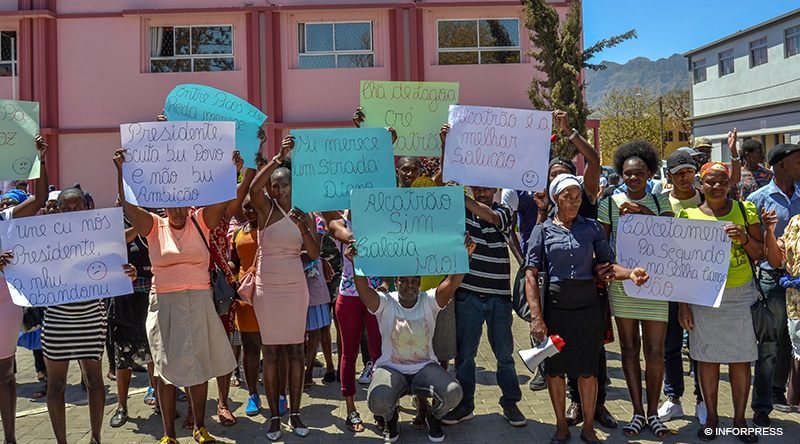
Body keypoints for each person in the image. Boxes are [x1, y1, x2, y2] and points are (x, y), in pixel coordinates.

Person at [113, 149, 238, 444]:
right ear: (163, 207)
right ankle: (168, 434)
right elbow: (130, 208)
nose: (178, 212)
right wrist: (121, 171)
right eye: (172, 206)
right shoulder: (154, 227)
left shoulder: (201, 221)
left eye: (183, 206)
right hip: (165, 304)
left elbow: (221, 199)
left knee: (199, 367)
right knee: (164, 370)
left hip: (198, 302)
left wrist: (231, 170)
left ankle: (200, 428)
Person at [526, 174, 650, 444]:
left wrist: (630, 274)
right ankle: (561, 425)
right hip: (555, 310)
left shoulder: (591, 228)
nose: (573, 201)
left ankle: (589, 427)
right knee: (555, 370)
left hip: (588, 309)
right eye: (567, 197)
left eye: (577, 196)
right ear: (556, 198)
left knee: (588, 370)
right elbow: (531, 275)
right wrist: (536, 317)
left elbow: (608, 265)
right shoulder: (543, 230)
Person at [346, 234, 474, 443]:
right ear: (395, 283)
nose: (410, 286)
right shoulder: (386, 302)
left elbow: (451, 283)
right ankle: (390, 418)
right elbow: (364, 293)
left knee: (453, 392)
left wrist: (464, 256)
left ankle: (434, 417)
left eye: (415, 281)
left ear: (420, 283)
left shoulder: (429, 300)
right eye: (403, 281)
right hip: (391, 369)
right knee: (377, 400)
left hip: (424, 369)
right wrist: (355, 263)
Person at [678, 162, 769, 443]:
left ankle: (740, 420)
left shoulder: (744, 210)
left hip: (740, 294)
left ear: (729, 183)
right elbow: (679, 264)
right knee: (707, 358)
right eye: (710, 182)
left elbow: (761, 253)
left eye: (722, 181)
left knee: (741, 359)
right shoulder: (688, 215)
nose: (716, 186)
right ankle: (713, 419)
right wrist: (683, 305)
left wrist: (744, 239)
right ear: (700, 185)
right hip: (703, 296)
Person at [38, 188, 137, 444]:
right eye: (66, 208)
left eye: (77, 206)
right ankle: (62, 441)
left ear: (87, 208)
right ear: (57, 210)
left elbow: (120, 254)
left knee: (94, 380)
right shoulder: (43, 238)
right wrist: (8, 263)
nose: (72, 212)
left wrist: (128, 272)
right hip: (57, 319)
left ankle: (95, 437)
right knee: (56, 385)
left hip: (91, 317)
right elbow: (26, 263)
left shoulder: (101, 236)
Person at [597, 140, 673, 438]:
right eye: (628, 173)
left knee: (655, 352)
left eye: (639, 173)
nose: (633, 178)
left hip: (656, 285)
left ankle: (654, 413)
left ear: (650, 173)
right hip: (624, 285)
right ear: (621, 174)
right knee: (629, 350)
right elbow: (603, 248)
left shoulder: (660, 202)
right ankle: (638, 412)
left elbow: (670, 237)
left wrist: (643, 213)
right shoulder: (608, 204)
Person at [249, 136, 320, 441]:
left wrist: (303, 226)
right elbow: (253, 189)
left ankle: (295, 414)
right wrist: (277, 158)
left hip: (295, 286)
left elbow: (315, 254)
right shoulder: (265, 209)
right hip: (268, 287)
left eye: (283, 185)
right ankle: (274, 418)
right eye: (274, 185)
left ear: (295, 187)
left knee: (295, 352)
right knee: (271, 353)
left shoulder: (305, 213)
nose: (277, 190)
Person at [441, 185, 526, 428]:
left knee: (504, 357)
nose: (481, 192)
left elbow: (489, 216)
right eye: (476, 187)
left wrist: (461, 197)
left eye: (486, 188)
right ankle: (465, 404)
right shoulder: (461, 213)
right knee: (465, 357)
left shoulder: (506, 211)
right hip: (468, 296)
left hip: (499, 299)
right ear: (470, 188)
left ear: (496, 189)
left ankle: (510, 402)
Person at [0, 136, 49, 444]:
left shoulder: (6, 218)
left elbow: (41, 198)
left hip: (5, 304)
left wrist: (39, 159)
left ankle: (11, 438)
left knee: (6, 375)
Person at [747, 143, 800, 425]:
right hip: (772, 281)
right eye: (798, 162)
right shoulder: (758, 199)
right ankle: (762, 407)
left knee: (794, 346)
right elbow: (751, 241)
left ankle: (781, 394)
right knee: (770, 346)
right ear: (781, 166)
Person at [657, 148, 706, 424]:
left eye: (689, 172)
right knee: (670, 346)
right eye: (679, 173)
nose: (685, 177)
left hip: (701, 286)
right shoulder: (659, 203)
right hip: (669, 287)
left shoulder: (708, 200)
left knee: (700, 346)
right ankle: (674, 398)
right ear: (669, 176)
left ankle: (703, 400)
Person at [326, 209, 384, 433]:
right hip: (348, 296)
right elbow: (344, 235)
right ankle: (351, 409)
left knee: (379, 353)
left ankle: (381, 408)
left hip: (376, 293)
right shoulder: (338, 223)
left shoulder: (380, 219)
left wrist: (386, 282)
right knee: (349, 354)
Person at [108, 206, 157, 428]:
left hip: (152, 303)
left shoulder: (157, 230)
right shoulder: (116, 233)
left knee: (155, 356)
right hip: (124, 305)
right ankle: (122, 406)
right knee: (122, 360)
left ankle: (158, 398)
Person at [229, 195, 265, 416]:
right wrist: (224, 269)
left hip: (271, 295)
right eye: (246, 208)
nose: (251, 211)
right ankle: (253, 394)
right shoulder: (237, 233)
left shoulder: (271, 230)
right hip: (245, 297)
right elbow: (235, 261)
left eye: (254, 207)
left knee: (272, 349)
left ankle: (278, 394)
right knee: (250, 347)